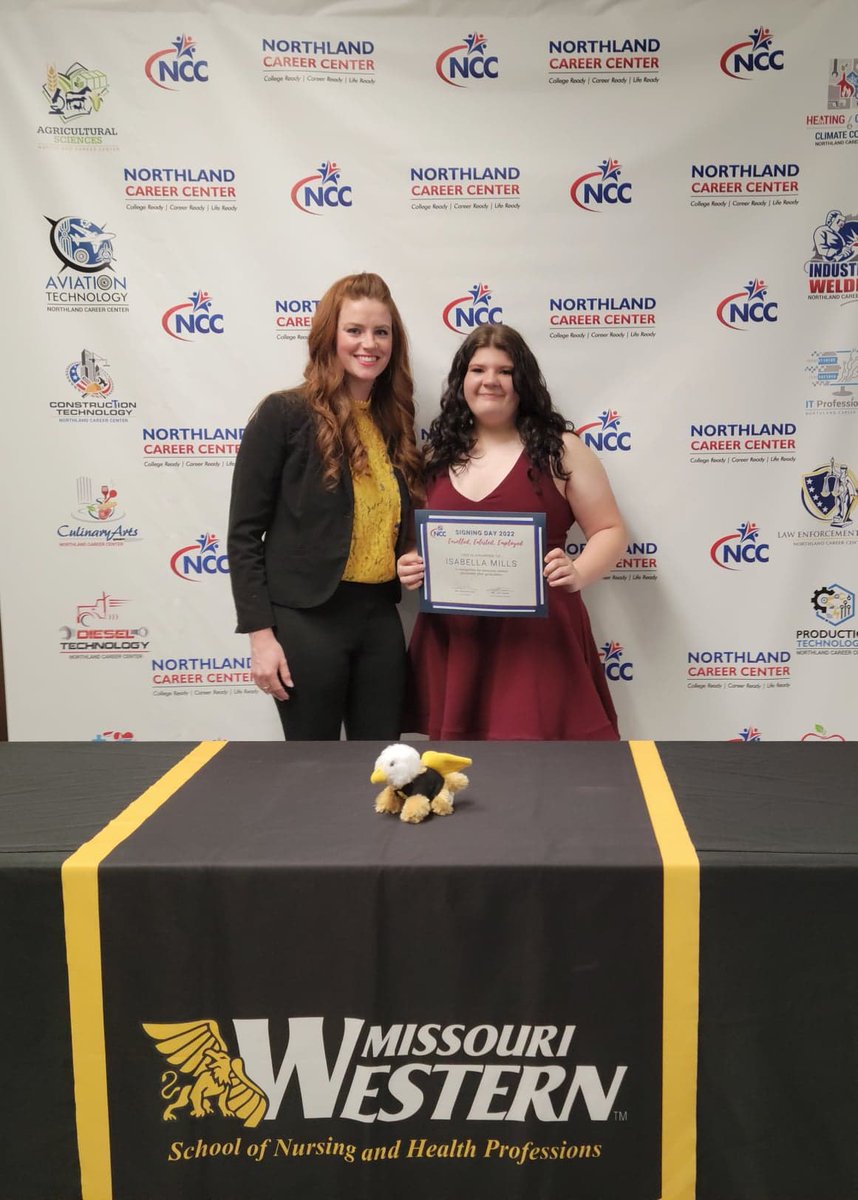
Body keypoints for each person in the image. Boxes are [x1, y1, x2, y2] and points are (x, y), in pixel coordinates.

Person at [398, 324, 626, 741]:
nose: (490, 381)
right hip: (457, 635)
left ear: (523, 381)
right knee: (464, 773)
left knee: (543, 768)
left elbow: (610, 529)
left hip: (539, 637)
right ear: (461, 380)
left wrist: (579, 571)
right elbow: (419, 538)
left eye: (504, 371)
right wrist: (412, 562)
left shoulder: (562, 449)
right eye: (478, 369)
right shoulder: (433, 454)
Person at [227, 272, 423, 739]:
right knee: (311, 768)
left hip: (379, 619)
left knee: (383, 764)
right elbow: (243, 534)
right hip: (305, 621)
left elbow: (394, 516)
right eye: (354, 330)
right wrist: (261, 637)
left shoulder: (396, 420)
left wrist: (413, 556)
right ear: (328, 337)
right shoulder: (284, 414)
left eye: (381, 332)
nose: (369, 344)